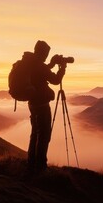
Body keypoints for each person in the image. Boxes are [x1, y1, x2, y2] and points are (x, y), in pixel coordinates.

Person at [26, 40, 66, 172]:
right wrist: (62, 69)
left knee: (35, 133)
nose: (46, 56)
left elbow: (41, 73)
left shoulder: (31, 63)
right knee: (44, 135)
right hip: (42, 105)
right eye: (46, 54)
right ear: (42, 52)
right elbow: (55, 80)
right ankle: (41, 166)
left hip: (32, 104)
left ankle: (31, 163)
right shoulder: (39, 65)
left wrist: (52, 64)